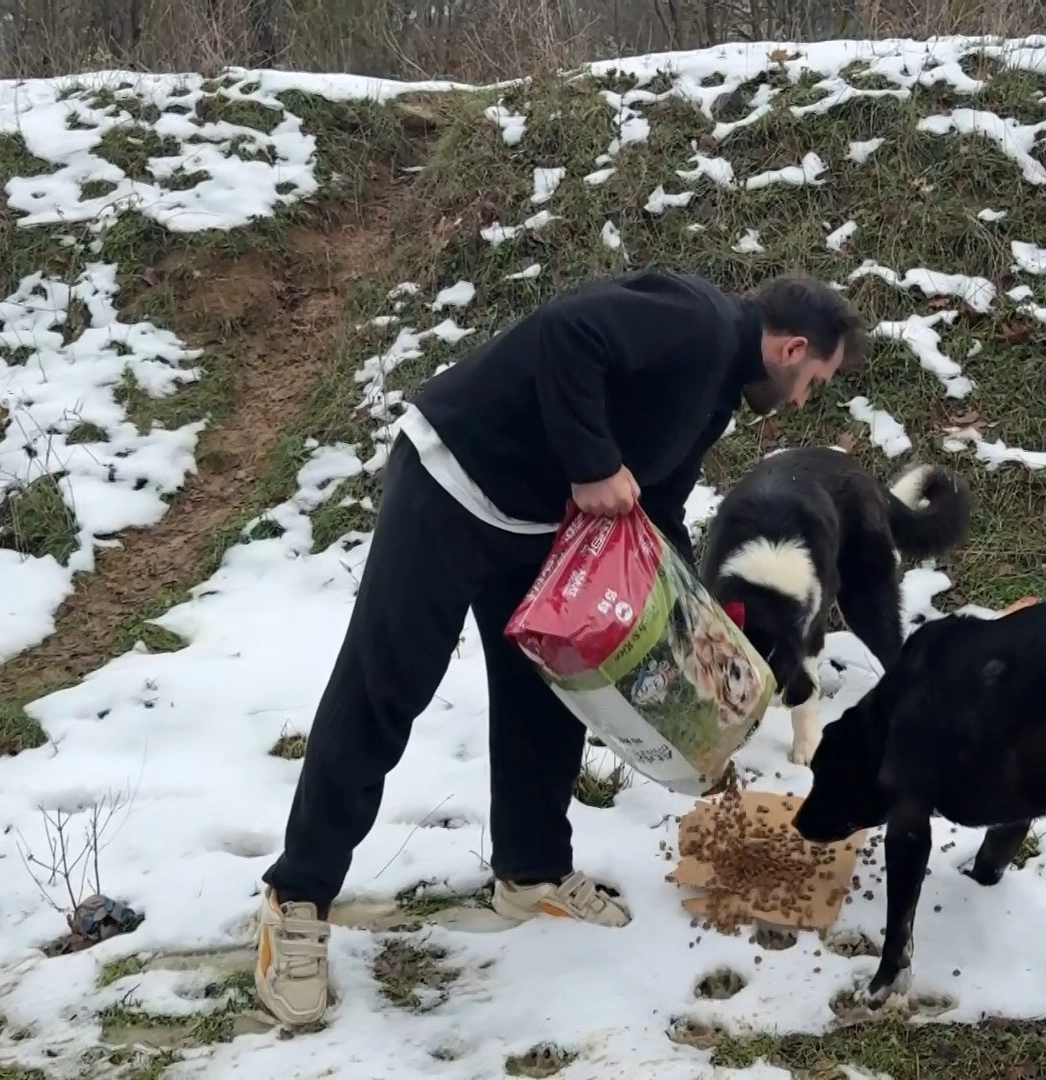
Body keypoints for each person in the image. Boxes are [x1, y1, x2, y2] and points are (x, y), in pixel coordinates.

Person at [254, 269, 867, 1026]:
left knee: (546, 696)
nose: (803, 400)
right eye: (813, 382)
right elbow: (566, 333)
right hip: (453, 482)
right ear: (793, 349)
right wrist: (592, 464)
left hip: (536, 525)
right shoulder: (698, 325)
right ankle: (298, 897)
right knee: (385, 687)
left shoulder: (715, 396)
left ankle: (533, 872)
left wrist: (696, 625)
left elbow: (659, 504)